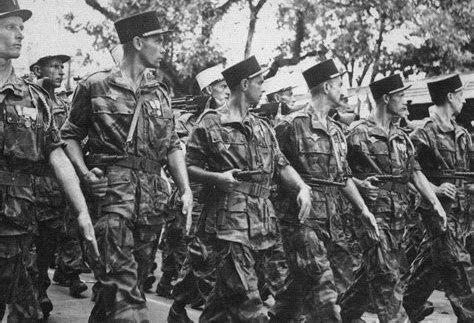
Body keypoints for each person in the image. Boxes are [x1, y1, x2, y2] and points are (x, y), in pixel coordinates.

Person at [60, 10, 193, 322]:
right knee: (126, 298)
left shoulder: (160, 91)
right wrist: (83, 173)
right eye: (157, 40)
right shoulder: (95, 85)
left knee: (118, 295)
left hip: (151, 205)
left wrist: (185, 189)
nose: (163, 47)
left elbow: (172, 143)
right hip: (112, 200)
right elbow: (69, 135)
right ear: (137, 41)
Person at [183, 55, 312, 322]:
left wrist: (301, 186)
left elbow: (281, 165)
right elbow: (188, 167)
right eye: (259, 81)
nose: (264, 87)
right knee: (247, 301)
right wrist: (217, 178)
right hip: (229, 226)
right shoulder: (211, 121)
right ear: (244, 84)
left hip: (265, 224)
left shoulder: (263, 127)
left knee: (235, 302)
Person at [0, 0, 98, 321]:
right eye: (10, 26)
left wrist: (82, 213)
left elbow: (56, 154)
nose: (20, 33)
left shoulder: (33, 98)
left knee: (27, 314)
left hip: (16, 231)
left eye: (21, 27)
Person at [274, 59, 379, 322]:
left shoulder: (336, 131)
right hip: (302, 222)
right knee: (324, 292)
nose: (343, 90)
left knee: (308, 289)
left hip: (333, 221)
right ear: (326, 86)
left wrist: (363, 209)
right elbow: (274, 166)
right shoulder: (291, 124)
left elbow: (342, 177)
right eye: (340, 84)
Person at [338, 74, 447, 322]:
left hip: (398, 217)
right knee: (387, 275)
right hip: (371, 217)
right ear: (386, 99)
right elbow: (338, 173)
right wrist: (359, 184)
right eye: (400, 96)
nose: (406, 101)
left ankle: (341, 314)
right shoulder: (356, 133)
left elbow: (414, 171)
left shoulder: (400, 136)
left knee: (374, 273)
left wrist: (434, 201)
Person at [403, 74, 474, 322]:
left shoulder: (462, 134)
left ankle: (406, 305)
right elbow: (407, 173)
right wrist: (434, 189)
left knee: (431, 265)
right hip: (437, 214)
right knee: (459, 268)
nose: (464, 101)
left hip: (461, 214)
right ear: (450, 96)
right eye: (461, 95)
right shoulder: (424, 133)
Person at [164, 65, 229, 312]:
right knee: (203, 254)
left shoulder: (227, 119)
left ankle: (178, 305)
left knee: (199, 254)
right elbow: (179, 157)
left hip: (216, 195)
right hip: (196, 194)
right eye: (222, 87)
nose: (227, 92)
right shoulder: (189, 122)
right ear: (209, 89)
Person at [29, 52, 88, 317]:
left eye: (61, 67)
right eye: (54, 66)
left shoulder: (64, 106)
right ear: (37, 69)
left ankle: (44, 284)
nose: (60, 71)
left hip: (58, 185)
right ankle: (35, 291)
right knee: (30, 240)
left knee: (51, 240)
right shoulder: (29, 98)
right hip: (32, 182)